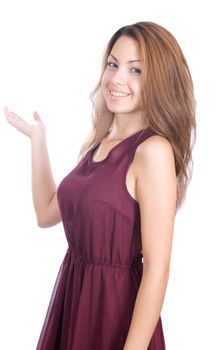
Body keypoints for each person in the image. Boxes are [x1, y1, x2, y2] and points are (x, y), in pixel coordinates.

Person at [4, 21, 196, 350]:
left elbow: (157, 269)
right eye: (113, 64)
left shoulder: (153, 152)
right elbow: (46, 212)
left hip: (114, 312)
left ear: (159, 80)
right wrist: (38, 140)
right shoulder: (101, 143)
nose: (117, 79)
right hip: (74, 297)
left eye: (136, 70)